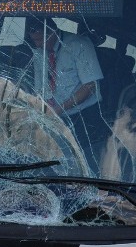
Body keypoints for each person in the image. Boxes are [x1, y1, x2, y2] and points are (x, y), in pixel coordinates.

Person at [25, 16, 107, 174]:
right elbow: (40, 88)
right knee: (57, 163)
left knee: (86, 165)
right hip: (56, 116)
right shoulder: (39, 51)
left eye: (40, 40)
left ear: (53, 32)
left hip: (85, 117)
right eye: (34, 40)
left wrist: (59, 110)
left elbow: (90, 86)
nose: (38, 45)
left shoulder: (79, 45)